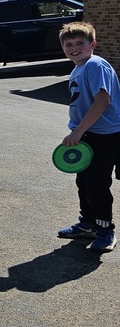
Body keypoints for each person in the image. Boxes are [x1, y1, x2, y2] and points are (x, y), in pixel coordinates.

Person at [56, 22, 120, 252]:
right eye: (69, 44)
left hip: (104, 135)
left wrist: (78, 131)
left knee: (97, 184)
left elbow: (103, 100)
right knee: (84, 181)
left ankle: (105, 231)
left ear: (92, 44)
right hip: (88, 134)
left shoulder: (94, 64)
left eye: (80, 43)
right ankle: (87, 225)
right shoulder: (79, 67)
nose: (74, 48)